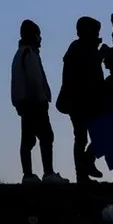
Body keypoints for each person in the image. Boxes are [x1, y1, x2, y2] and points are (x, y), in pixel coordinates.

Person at [11, 19, 69, 184]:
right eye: (38, 35)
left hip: (26, 103)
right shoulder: (28, 54)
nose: (41, 39)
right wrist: (41, 98)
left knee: (28, 140)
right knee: (46, 136)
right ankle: (47, 173)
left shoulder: (21, 54)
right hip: (34, 103)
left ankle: (28, 175)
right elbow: (35, 79)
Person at [56, 16, 105, 183]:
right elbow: (86, 74)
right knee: (86, 137)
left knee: (92, 136)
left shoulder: (83, 48)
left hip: (86, 101)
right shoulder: (79, 48)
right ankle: (83, 170)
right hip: (82, 102)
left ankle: (84, 167)